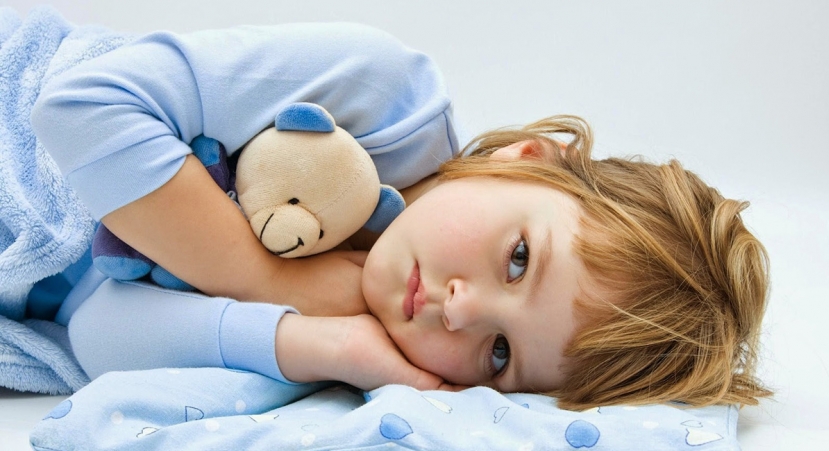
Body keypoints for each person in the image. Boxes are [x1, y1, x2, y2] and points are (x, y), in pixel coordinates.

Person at [30, 21, 770, 411]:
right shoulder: (381, 96)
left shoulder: (363, 337)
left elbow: (88, 330)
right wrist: (263, 278)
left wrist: (317, 343)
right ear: (527, 160)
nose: (461, 311)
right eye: (518, 259)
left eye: (500, 355)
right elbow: (79, 106)